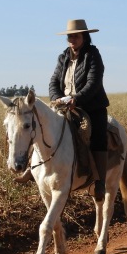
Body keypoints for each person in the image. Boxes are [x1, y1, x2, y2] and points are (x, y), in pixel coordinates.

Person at [48, 19, 111, 201]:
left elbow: (94, 83)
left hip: (91, 106)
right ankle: (33, 168)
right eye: (69, 36)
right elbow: (53, 82)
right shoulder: (63, 57)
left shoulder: (93, 55)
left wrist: (77, 99)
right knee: (43, 128)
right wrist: (56, 99)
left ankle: (99, 182)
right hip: (64, 105)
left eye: (75, 36)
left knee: (98, 136)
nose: (71, 39)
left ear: (84, 37)